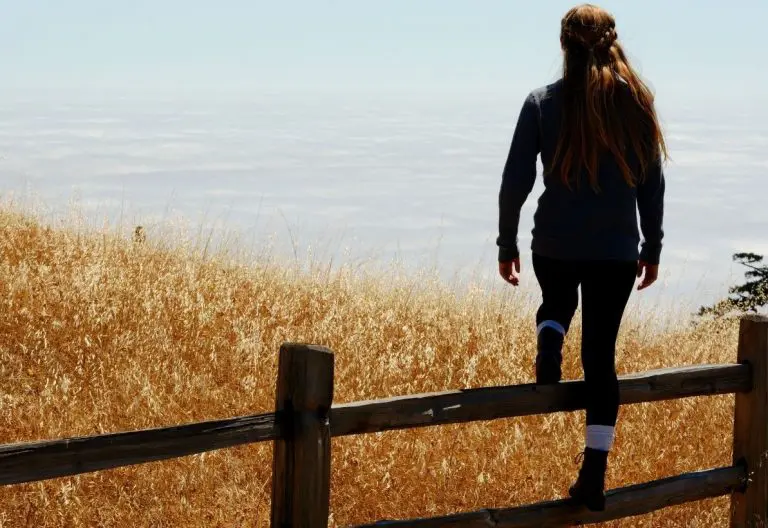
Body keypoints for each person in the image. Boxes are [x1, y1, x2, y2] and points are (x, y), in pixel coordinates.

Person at [495, 3, 667, 512]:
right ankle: (593, 474)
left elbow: (514, 181)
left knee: (555, 301)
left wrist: (506, 244)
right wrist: (651, 248)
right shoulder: (636, 102)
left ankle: (549, 339)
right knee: (600, 360)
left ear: (564, 46)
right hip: (615, 253)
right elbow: (652, 184)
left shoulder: (541, 102)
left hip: (553, 244)